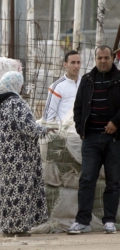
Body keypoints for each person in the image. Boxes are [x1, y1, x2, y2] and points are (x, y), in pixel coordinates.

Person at [0, 71, 50, 237]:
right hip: (19, 156)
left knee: (6, 192)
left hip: (1, 156)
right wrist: (44, 129)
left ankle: (7, 227)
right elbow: (27, 127)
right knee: (20, 191)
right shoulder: (15, 103)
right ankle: (19, 229)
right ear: (15, 84)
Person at [67, 45, 120, 235]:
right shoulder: (88, 80)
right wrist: (81, 129)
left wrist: (115, 122)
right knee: (87, 179)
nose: (103, 61)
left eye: (106, 58)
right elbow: (78, 106)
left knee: (113, 181)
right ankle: (82, 221)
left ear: (112, 58)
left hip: (114, 140)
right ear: (95, 59)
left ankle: (109, 221)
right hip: (90, 139)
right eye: (100, 58)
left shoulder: (119, 79)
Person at [42, 50, 81, 122]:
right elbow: (48, 117)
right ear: (65, 65)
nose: (76, 66)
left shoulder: (85, 83)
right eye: (73, 62)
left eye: (78, 62)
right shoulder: (57, 86)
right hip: (64, 131)